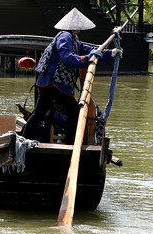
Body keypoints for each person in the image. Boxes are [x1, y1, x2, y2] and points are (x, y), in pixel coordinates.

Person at [23, 8, 103, 143]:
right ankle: (69, 143)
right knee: (72, 111)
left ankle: (23, 138)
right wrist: (88, 58)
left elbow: (87, 49)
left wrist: (108, 52)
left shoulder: (74, 39)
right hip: (53, 82)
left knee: (39, 113)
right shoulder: (65, 37)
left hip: (53, 83)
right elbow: (68, 59)